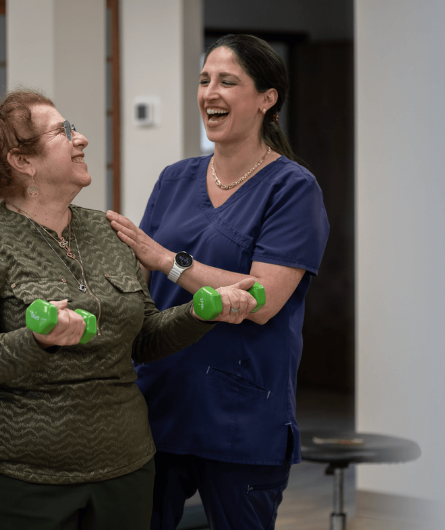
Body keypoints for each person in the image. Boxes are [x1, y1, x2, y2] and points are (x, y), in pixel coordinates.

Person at [0, 89, 259, 530]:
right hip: (0, 464)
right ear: (23, 161)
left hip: (121, 463)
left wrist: (199, 314)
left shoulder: (108, 232)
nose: (82, 140)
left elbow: (143, 338)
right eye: (64, 131)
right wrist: (37, 340)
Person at [106, 34, 330, 530]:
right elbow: (138, 276)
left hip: (239, 415)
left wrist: (170, 261)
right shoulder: (175, 178)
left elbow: (265, 299)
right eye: (205, 80)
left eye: (228, 81)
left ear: (267, 99)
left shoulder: (293, 188)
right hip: (158, 404)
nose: (211, 92)